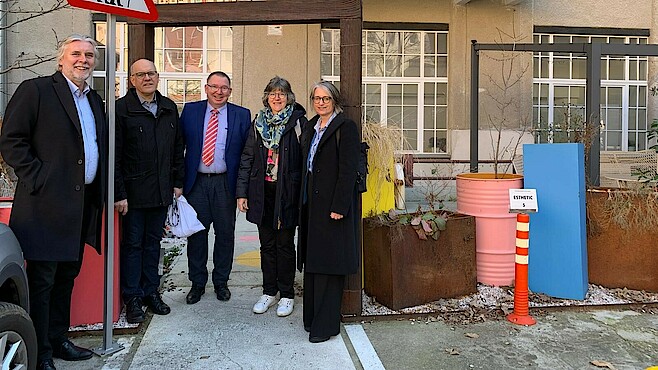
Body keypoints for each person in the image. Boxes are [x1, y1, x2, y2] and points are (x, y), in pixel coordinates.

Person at [0, 34, 107, 370]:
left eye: (89, 55)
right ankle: (41, 350)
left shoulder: (95, 101)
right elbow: (11, 140)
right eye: (76, 54)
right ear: (61, 59)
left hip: (80, 207)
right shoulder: (37, 91)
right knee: (43, 282)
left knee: (66, 278)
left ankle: (59, 339)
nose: (83, 60)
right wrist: (39, 178)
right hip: (44, 207)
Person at [114, 58, 184, 323]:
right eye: (141, 74)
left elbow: (178, 148)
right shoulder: (122, 110)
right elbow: (115, 156)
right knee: (133, 245)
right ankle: (131, 297)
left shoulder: (168, 108)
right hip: (132, 194)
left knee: (153, 244)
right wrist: (119, 192)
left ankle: (150, 292)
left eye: (151, 73)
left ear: (158, 77)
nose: (147, 78)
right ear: (132, 80)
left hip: (161, 191)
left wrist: (177, 182)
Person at [236, 76, 307, 317]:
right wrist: (242, 192)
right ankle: (269, 291)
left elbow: (307, 159)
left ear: (289, 98)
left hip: (287, 192)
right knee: (266, 245)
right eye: (273, 93)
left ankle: (287, 294)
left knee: (285, 244)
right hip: (261, 191)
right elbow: (247, 158)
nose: (277, 97)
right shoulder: (258, 122)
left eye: (282, 93)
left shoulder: (298, 122)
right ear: (266, 97)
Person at [180, 71, 251, 304]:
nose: (219, 92)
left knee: (225, 235)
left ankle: (221, 282)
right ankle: (197, 283)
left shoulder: (241, 115)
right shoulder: (190, 112)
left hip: (225, 183)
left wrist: (243, 190)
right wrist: (177, 182)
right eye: (214, 87)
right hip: (196, 183)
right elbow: (177, 148)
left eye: (224, 88)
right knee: (197, 234)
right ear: (206, 88)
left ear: (230, 91)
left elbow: (246, 155)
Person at [298, 81, 359, 343]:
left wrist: (339, 206)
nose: (320, 103)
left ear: (334, 100)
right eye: (316, 98)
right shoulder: (311, 126)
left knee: (330, 265)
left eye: (325, 98)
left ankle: (325, 325)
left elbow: (348, 170)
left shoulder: (345, 127)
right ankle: (311, 319)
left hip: (332, 207)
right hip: (312, 205)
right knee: (313, 263)